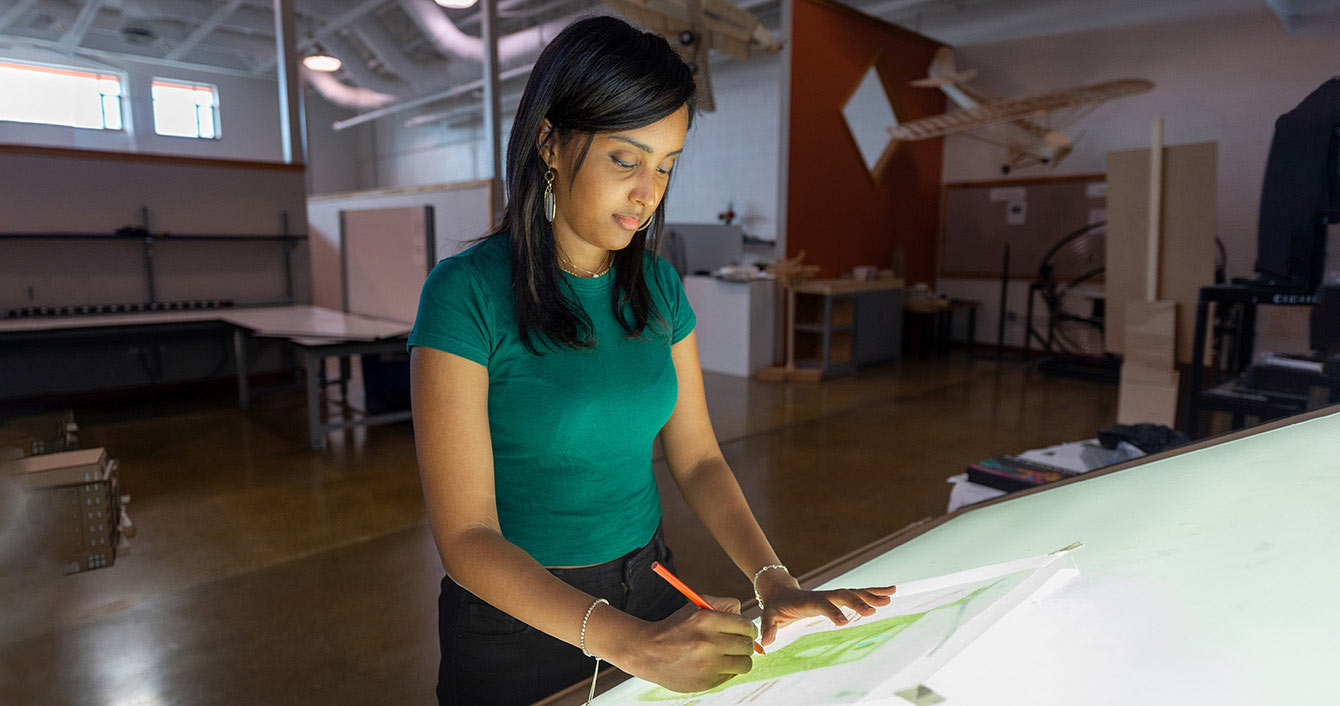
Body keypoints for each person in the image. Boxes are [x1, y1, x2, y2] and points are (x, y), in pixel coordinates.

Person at [409, 15, 896, 706]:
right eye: (626, 160)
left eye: (666, 165)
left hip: (651, 587)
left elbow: (697, 458)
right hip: (518, 620)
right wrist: (629, 643)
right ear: (550, 143)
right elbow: (467, 537)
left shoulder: (659, 288)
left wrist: (773, 580)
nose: (649, 191)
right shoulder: (466, 293)